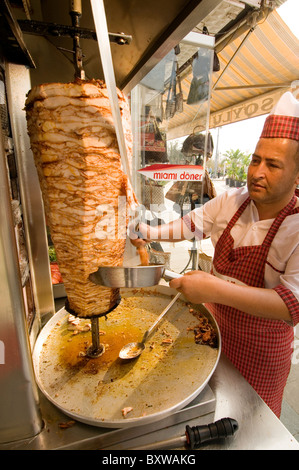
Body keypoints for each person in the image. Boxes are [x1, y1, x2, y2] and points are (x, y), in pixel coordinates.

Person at [130, 91, 299, 417]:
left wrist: (213, 288)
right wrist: (149, 232)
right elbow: (191, 224)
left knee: (249, 424)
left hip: (262, 352)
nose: (257, 172)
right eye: (255, 159)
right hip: (213, 330)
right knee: (208, 412)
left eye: (273, 165)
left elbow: (291, 306)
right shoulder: (233, 200)